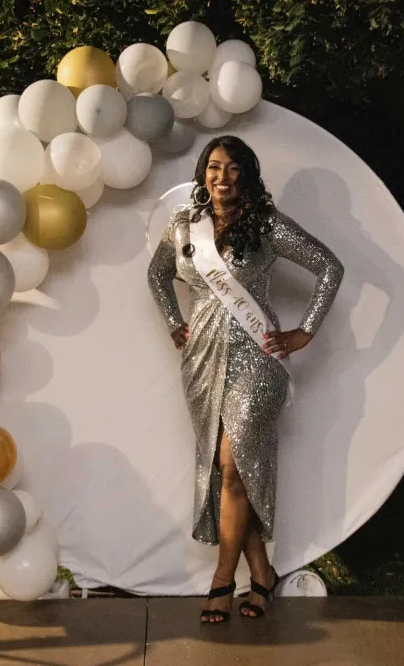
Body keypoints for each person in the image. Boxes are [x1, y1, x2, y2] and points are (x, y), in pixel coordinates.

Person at [147, 135, 344, 623]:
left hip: (257, 359)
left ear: (247, 176)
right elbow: (157, 274)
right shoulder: (185, 224)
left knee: (233, 467)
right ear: (203, 172)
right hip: (201, 360)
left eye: (234, 168)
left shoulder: (267, 224)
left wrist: (305, 331)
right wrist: (174, 321)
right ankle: (261, 574)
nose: (223, 177)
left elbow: (329, 267)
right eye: (215, 167)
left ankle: (221, 581)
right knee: (233, 470)